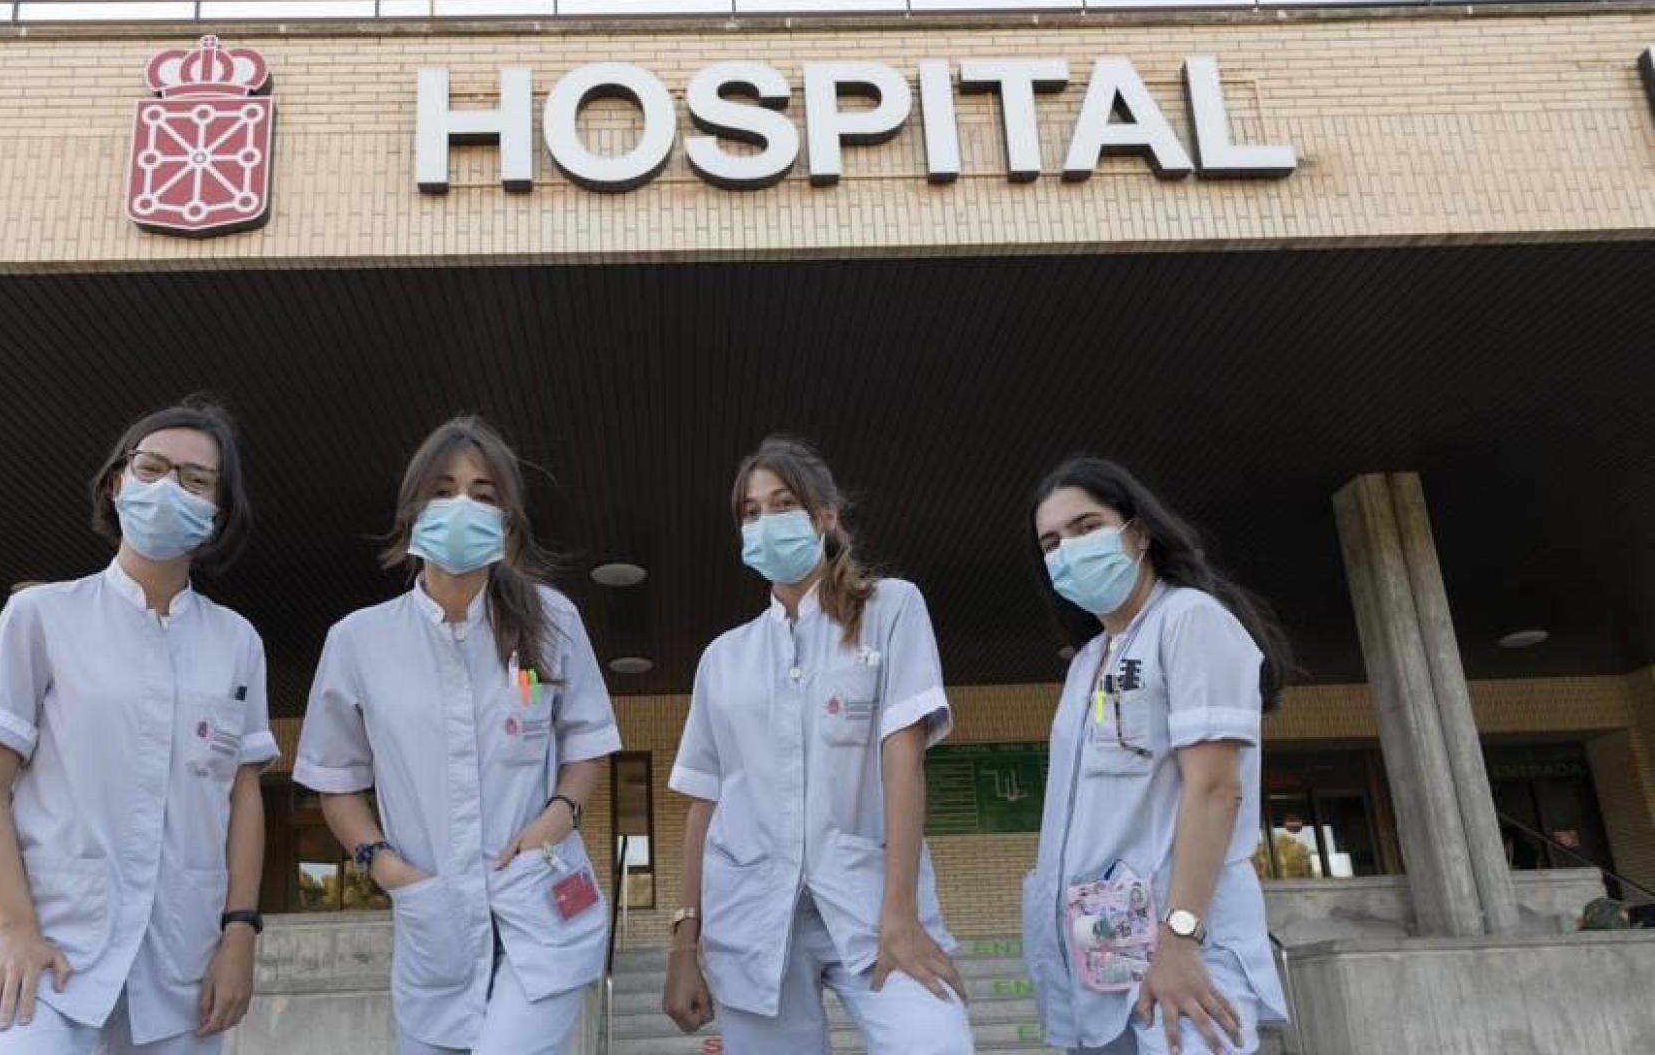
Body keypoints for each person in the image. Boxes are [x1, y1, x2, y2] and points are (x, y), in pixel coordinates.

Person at [0, 397, 279, 1053]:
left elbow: (241, 796)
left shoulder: (236, 641)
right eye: (151, 467)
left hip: (181, 971)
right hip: (41, 957)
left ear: (220, 509)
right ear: (116, 483)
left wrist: (239, 932)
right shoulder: (41, 617)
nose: (167, 488)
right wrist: (15, 928)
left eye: (195, 479)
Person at [293, 415, 622, 1055]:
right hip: (432, 920)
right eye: (444, 490)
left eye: (483, 492)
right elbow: (336, 784)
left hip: (541, 904)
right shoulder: (359, 640)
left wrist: (557, 816)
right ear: (413, 509)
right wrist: (384, 867)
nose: (462, 506)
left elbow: (586, 744)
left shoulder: (551, 619)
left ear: (508, 517)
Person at [660, 436, 974, 1055]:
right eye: (751, 513)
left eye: (782, 504)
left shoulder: (890, 609)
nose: (765, 522)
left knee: (935, 1042)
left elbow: (903, 759)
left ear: (825, 517)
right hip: (751, 918)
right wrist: (683, 943)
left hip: (871, 904)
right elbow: (705, 803)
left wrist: (902, 916)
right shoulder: (723, 659)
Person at [1022, 457, 1293, 1055]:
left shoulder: (1190, 620)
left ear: (1138, 532)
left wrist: (1179, 938)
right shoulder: (1090, 660)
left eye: (1086, 526)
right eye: (1051, 542)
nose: (1068, 549)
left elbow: (1215, 789)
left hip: (1183, 945)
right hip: (1104, 951)